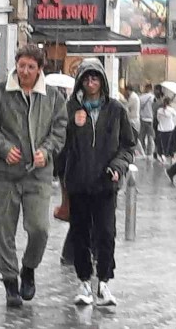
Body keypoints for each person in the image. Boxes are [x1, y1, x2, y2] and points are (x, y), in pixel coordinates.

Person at [0, 45, 67, 307]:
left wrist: (46, 150)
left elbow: (60, 129)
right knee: (4, 230)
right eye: (21, 66)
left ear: (40, 69)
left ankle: (29, 268)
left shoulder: (53, 97)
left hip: (38, 175)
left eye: (31, 67)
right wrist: (4, 148)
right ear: (15, 66)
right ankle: (10, 282)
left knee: (39, 228)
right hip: (6, 175)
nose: (25, 71)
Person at [58, 59, 135, 307]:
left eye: (95, 79)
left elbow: (127, 145)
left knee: (106, 233)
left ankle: (103, 281)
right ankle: (83, 282)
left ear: (102, 81)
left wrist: (118, 167)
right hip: (78, 183)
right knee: (80, 234)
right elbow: (59, 143)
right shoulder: (70, 109)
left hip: (105, 184)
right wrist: (72, 125)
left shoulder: (116, 109)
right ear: (81, 81)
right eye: (86, 79)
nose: (91, 84)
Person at [156, 97, 176, 162]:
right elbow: (175, 115)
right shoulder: (172, 110)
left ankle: (162, 155)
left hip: (161, 129)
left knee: (162, 144)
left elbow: (158, 119)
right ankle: (171, 155)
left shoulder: (159, 110)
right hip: (170, 128)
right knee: (170, 144)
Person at [123, 85, 142, 155]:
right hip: (134, 119)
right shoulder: (134, 96)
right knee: (135, 137)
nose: (124, 92)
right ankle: (140, 153)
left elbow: (126, 106)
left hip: (133, 120)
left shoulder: (133, 97)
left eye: (125, 91)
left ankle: (140, 153)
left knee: (133, 137)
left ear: (128, 90)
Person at [139, 84, 156, 157]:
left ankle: (142, 150)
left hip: (142, 118)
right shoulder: (153, 97)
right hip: (150, 119)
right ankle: (149, 152)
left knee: (141, 136)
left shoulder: (141, 97)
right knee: (150, 137)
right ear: (151, 89)